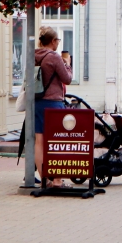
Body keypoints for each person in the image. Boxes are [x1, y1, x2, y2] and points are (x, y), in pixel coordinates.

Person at [35, 26, 73, 185]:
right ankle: (57, 179)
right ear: (52, 41)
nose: (58, 43)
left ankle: (44, 178)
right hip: (54, 103)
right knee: (56, 142)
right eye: (57, 40)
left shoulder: (34, 54)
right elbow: (67, 79)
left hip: (37, 102)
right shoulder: (54, 57)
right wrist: (68, 64)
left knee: (39, 141)